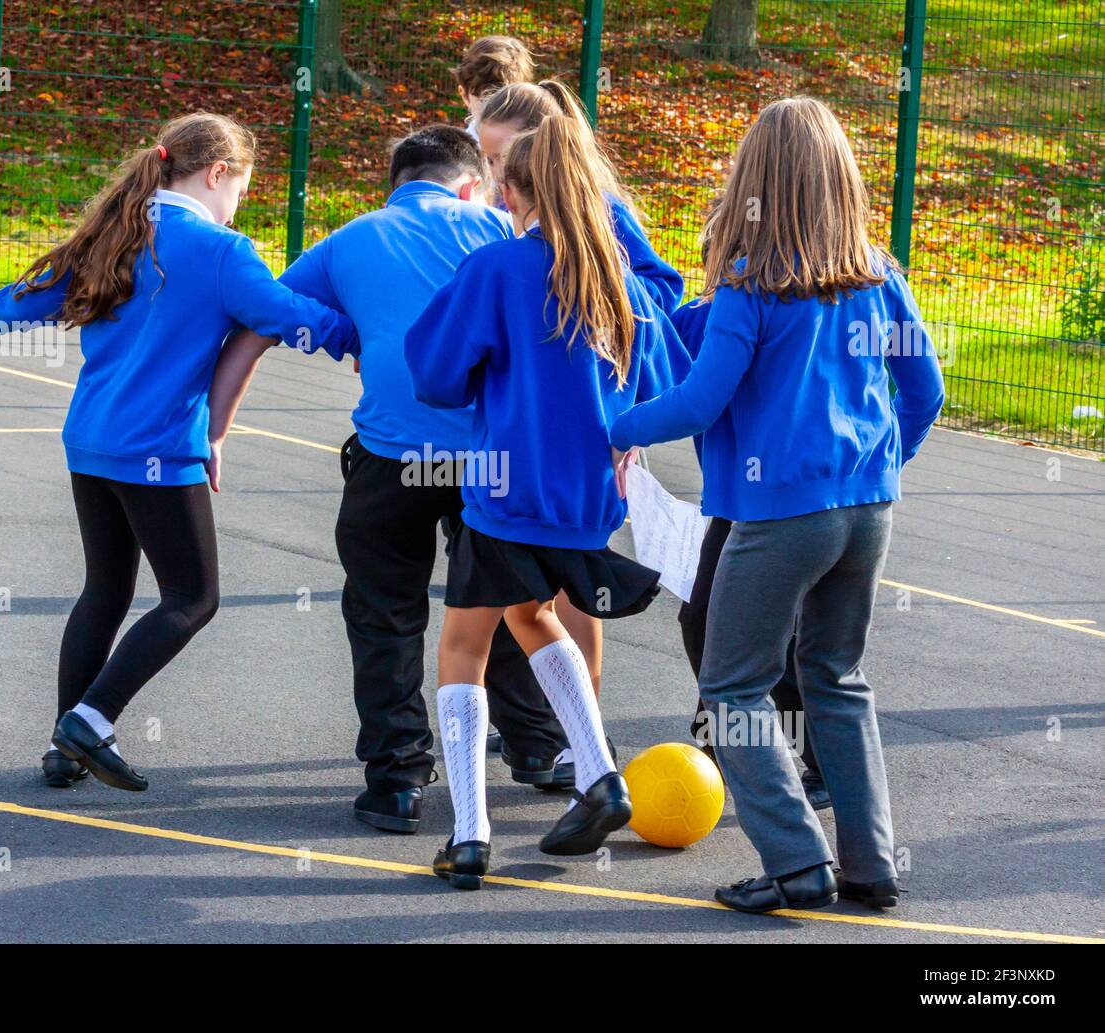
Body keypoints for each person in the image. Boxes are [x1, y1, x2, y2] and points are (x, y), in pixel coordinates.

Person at [609, 97, 945, 913]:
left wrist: (617, 426)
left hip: (780, 513)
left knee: (733, 689)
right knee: (836, 677)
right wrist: (875, 460)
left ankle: (797, 860)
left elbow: (698, 401)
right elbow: (924, 390)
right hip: (867, 509)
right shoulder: (877, 274)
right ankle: (871, 864)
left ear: (754, 178)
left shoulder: (749, 282)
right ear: (841, 179)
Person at [0, 112, 356, 792]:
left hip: (90, 440)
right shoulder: (221, 251)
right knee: (193, 596)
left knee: (106, 588)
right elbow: (284, 315)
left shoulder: (115, 234)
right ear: (217, 174)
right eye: (240, 187)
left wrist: (37, 304)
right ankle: (92, 718)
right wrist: (356, 334)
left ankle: (64, 744)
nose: (239, 202)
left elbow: (7, 312)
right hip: (158, 448)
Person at [242, 125, 571, 834]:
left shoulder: (354, 238)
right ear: (468, 184)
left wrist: (344, 330)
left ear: (394, 185)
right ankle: (538, 744)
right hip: (488, 454)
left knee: (383, 609)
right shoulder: (496, 229)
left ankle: (396, 777)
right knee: (509, 597)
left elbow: (269, 309)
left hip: (393, 458)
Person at [405, 114, 683, 890]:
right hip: (586, 496)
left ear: (516, 191)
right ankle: (598, 774)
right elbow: (662, 385)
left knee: (464, 646)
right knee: (534, 613)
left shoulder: (499, 269)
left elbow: (435, 371)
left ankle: (469, 832)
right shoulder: (618, 279)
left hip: (506, 489)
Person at [674, 296, 829, 811]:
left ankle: (805, 764)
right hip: (738, 498)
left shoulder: (783, 306)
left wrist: (622, 432)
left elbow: (695, 403)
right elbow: (657, 375)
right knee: (712, 624)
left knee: (742, 632)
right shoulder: (696, 316)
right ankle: (722, 745)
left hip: (774, 501)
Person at [475, 79, 684, 317]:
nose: (497, 171)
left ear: (544, 144)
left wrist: (596, 293)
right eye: (490, 160)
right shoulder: (499, 205)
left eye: (504, 156)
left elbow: (664, 287)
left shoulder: (599, 208)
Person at [455, 35, 535, 143]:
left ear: (524, 95)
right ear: (464, 95)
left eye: (506, 100)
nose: (495, 111)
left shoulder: (537, 149)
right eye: (485, 100)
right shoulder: (458, 155)